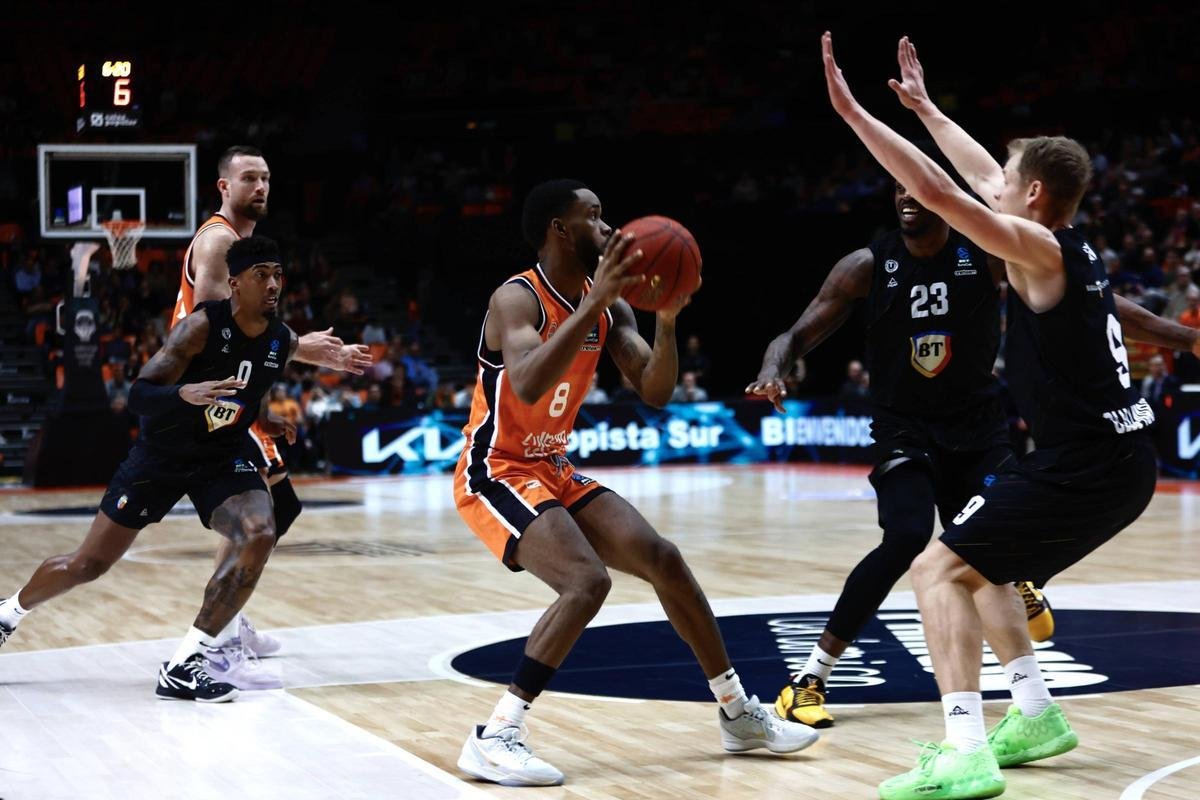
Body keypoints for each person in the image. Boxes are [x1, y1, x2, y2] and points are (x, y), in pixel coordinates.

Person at [821, 32, 1200, 798]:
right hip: (1115, 458)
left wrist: (855, 115)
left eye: (1008, 180)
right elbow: (979, 172)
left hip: (1087, 467)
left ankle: (964, 749)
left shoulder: (1034, 247)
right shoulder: (1063, 239)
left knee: (936, 570)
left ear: (1032, 198)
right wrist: (926, 106)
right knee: (981, 560)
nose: (995, 183)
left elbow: (937, 192)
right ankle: (1033, 714)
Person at [452, 179, 817, 787]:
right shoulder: (516, 299)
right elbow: (527, 384)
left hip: (552, 466)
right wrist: (596, 302)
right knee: (586, 581)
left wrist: (666, 321)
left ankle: (737, 714)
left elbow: (654, 391)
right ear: (559, 230)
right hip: (497, 467)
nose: (607, 227)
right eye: (593, 216)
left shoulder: (613, 306)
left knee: (663, 558)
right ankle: (495, 735)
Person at [748, 162, 1056, 731]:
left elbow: (1066, 299)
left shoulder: (984, 254)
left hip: (979, 426)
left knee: (1001, 539)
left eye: (916, 187)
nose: (906, 197)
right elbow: (794, 334)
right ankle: (810, 678)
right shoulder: (868, 265)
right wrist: (773, 369)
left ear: (942, 195)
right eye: (897, 188)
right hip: (905, 429)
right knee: (907, 538)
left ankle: (1027, 636)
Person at [0, 236, 366, 702]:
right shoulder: (199, 328)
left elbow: (249, 389)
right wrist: (182, 395)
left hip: (221, 456)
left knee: (259, 531)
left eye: (278, 274)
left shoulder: (281, 338)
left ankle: (186, 662)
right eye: (262, 276)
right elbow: (137, 394)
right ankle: (8, 613)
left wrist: (265, 417)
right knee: (87, 564)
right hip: (161, 457)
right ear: (234, 283)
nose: (273, 285)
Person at [170, 145, 371, 668]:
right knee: (263, 517)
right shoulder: (218, 241)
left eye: (266, 178)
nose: (260, 188)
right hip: (210, 399)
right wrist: (309, 349)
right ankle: (216, 640)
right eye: (249, 178)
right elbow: (225, 333)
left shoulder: (240, 245)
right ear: (223, 186)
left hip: (231, 393)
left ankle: (226, 627)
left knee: (273, 514)